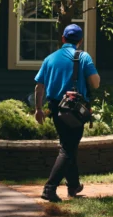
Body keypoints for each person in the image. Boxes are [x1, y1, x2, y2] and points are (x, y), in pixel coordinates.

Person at [34, 24, 100, 202]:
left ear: (63, 38)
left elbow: (39, 86)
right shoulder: (83, 57)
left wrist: (39, 109)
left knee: (68, 145)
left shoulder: (50, 58)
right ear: (80, 41)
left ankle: (73, 185)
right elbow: (95, 83)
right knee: (67, 149)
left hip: (56, 109)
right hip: (75, 109)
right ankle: (49, 188)